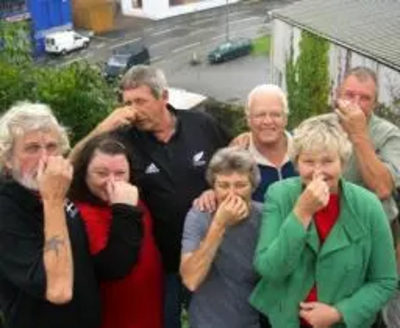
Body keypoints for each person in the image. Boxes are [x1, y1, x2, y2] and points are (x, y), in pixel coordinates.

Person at [70, 65, 230, 328]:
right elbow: (71, 167)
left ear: (164, 96)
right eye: (127, 103)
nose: (133, 110)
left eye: (140, 101)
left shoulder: (201, 124)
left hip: (206, 257)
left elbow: (232, 161)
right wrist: (102, 127)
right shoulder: (123, 139)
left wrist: (217, 187)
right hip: (159, 267)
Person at [251, 113, 398, 328]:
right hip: (286, 321)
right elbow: (269, 269)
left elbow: (385, 281)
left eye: (328, 161)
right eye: (308, 161)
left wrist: (339, 313)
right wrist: (301, 213)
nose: (317, 172)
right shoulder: (279, 195)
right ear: (297, 163)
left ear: (343, 162)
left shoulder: (369, 205)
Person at [0, 102, 100, 328]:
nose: (45, 158)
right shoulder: (7, 210)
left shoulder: (60, 187)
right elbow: (58, 291)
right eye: (32, 148)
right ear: (8, 158)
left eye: (52, 147)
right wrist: (53, 200)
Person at [69, 135, 163, 328]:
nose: (111, 182)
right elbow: (111, 266)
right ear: (84, 173)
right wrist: (124, 210)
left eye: (120, 173)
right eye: (101, 173)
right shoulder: (77, 214)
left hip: (149, 309)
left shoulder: (137, 202)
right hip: (112, 317)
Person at [180, 147, 264, 328]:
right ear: (213, 187)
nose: (232, 193)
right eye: (223, 185)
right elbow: (190, 280)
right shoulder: (199, 215)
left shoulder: (264, 216)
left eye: (240, 185)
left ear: (253, 186)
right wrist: (219, 225)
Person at [194, 84, 296, 213]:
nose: (268, 121)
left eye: (275, 114)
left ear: (286, 118)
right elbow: (223, 187)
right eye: (260, 115)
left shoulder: (305, 149)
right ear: (248, 119)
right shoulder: (236, 157)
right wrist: (212, 193)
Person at [336, 66, 400, 225]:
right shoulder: (322, 127)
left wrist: (359, 134)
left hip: (375, 225)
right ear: (338, 95)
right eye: (349, 95)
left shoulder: (390, 134)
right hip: (332, 223)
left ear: (375, 103)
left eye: (364, 98)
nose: (355, 104)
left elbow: (383, 189)